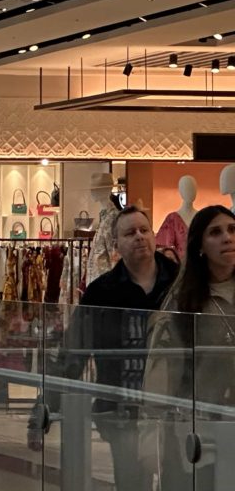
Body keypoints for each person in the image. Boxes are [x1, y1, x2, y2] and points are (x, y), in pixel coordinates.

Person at [52, 206, 178, 491]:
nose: (139, 237)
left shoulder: (179, 283)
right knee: (131, 479)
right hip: (121, 408)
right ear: (116, 243)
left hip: (173, 409)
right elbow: (75, 347)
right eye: (130, 233)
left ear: (154, 235)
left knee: (176, 478)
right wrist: (49, 403)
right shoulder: (103, 291)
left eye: (144, 230)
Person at [145, 204, 235, 491]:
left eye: (233, 230)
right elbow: (163, 365)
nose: (228, 238)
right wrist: (151, 425)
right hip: (198, 425)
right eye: (216, 232)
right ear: (199, 246)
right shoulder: (183, 303)